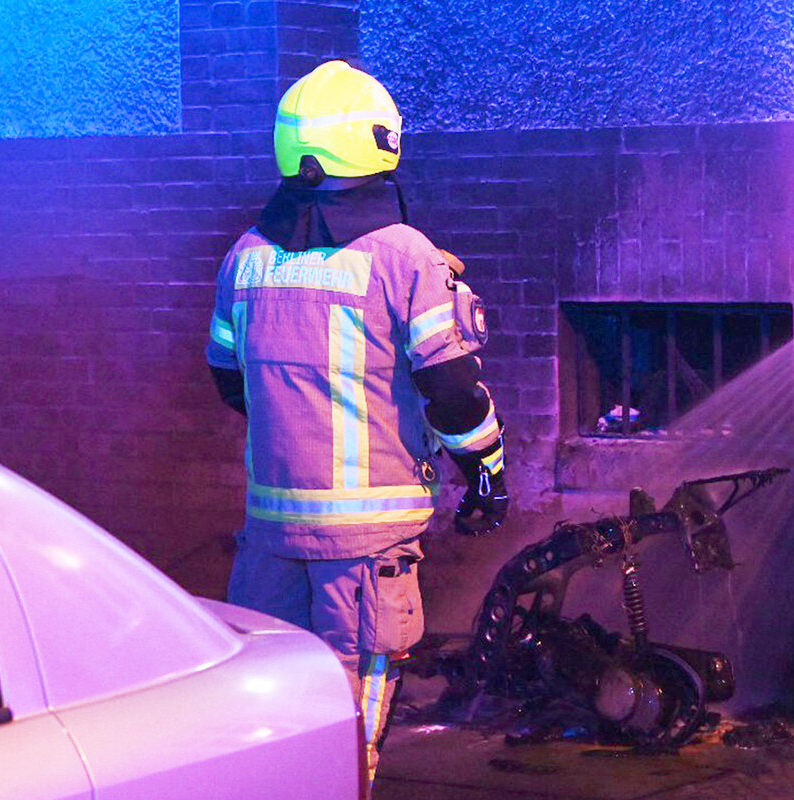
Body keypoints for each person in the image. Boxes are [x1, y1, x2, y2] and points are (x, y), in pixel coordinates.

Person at [204, 60, 509, 791]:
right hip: (368, 546)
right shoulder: (404, 255)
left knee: (274, 721)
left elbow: (229, 380)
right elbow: (454, 393)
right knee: (348, 729)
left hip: (270, 536)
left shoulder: (246, 257)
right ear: (378, 143)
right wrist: (487, 472)